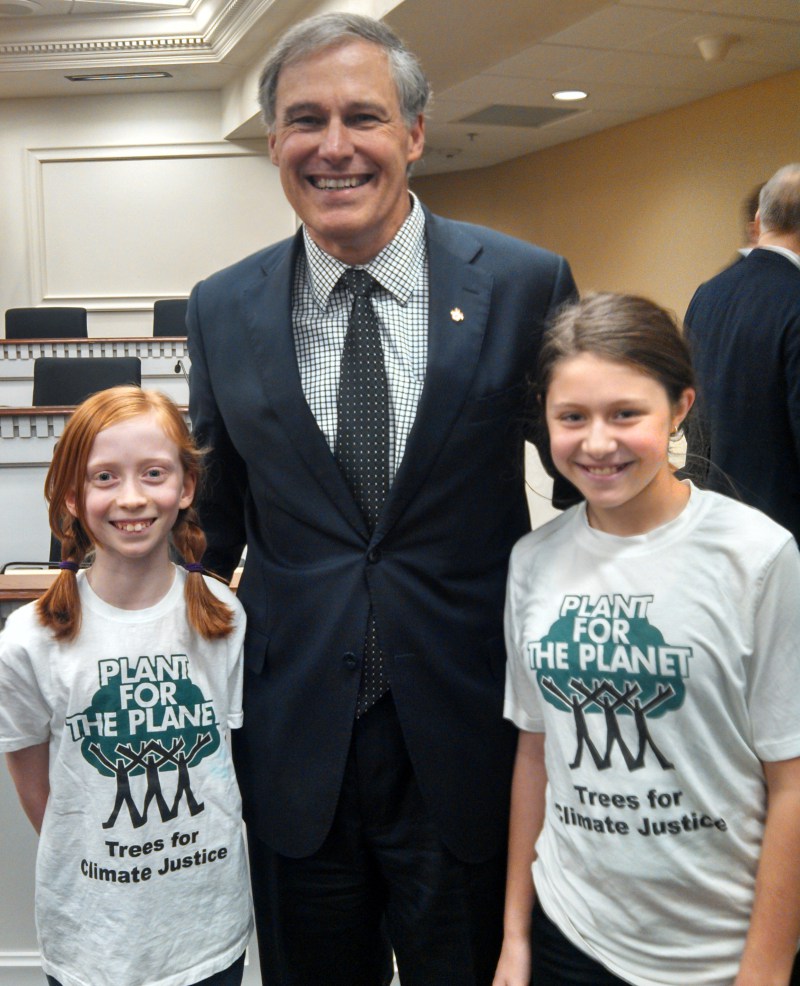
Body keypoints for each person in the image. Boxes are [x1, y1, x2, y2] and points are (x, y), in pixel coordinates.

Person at [187, 11, 577, 985]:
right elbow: (215, 520)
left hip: (470, 729)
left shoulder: (525, 285)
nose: (331, 146)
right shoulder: (221, 304)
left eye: (361, 116)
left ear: (411, 133)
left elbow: (586, 491)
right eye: (302, 119)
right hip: (291, 739)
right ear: (272, 139)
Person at [495, 292, 800, 986]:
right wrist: (516, 936)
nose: (597, 443)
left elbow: (793, 782)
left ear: (681, 408)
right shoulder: (533, 562)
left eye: (625, 414)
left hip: (716, 951)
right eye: (572, 417)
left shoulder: (757, 556)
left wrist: (766, 967)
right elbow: (536, 753)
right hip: (571, 933)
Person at [0, 387, 252, 986]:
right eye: (104, 477)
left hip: (208, 934)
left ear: (186, 487)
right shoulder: (28, 639)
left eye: (154, 473)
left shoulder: (223, 617)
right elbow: (39, 790)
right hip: (94, 942)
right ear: (71, 495)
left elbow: (233, 763)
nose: (132, 497)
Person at [684, 163, 800, 543]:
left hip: (718, 519)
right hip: (785, 532)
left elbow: (694, 414)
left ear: (759, 219)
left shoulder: (707, 294)